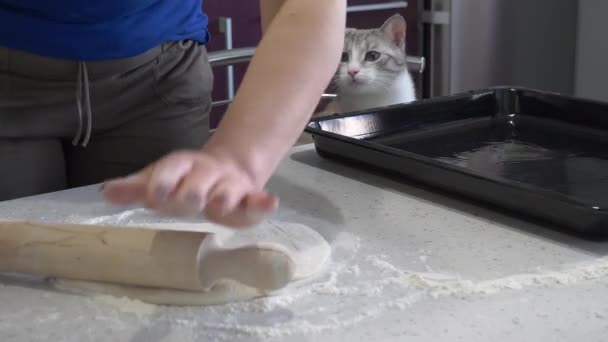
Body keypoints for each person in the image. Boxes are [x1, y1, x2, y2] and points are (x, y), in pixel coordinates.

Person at [0, 0, 346, 227]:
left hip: (157, 79)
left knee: (155, 246)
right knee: (17, 268)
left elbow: (306, 7)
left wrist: (238, 159)